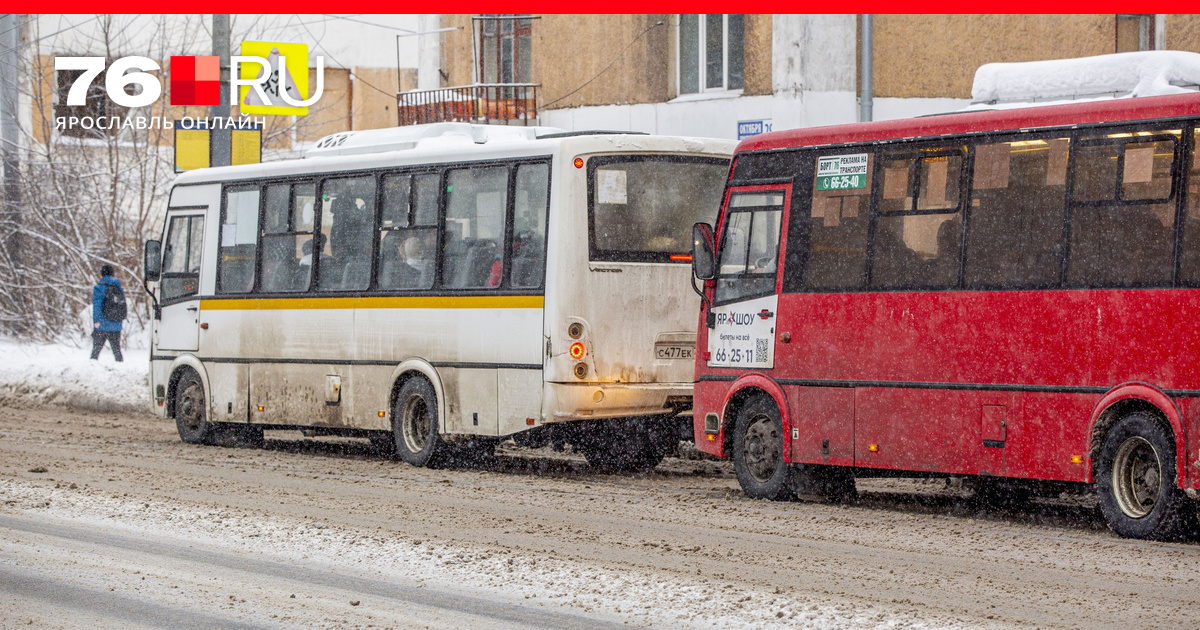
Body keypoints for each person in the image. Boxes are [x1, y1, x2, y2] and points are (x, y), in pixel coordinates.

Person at [91, 264, 124, 362]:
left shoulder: (99, 288)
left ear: (101, 275)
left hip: (102, 324)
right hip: (116, 324)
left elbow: (97, 306)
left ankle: (91, 368)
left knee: (96, 350)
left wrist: (96, 321)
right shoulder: (119, 288)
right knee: (117, 350)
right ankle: (120, 368)